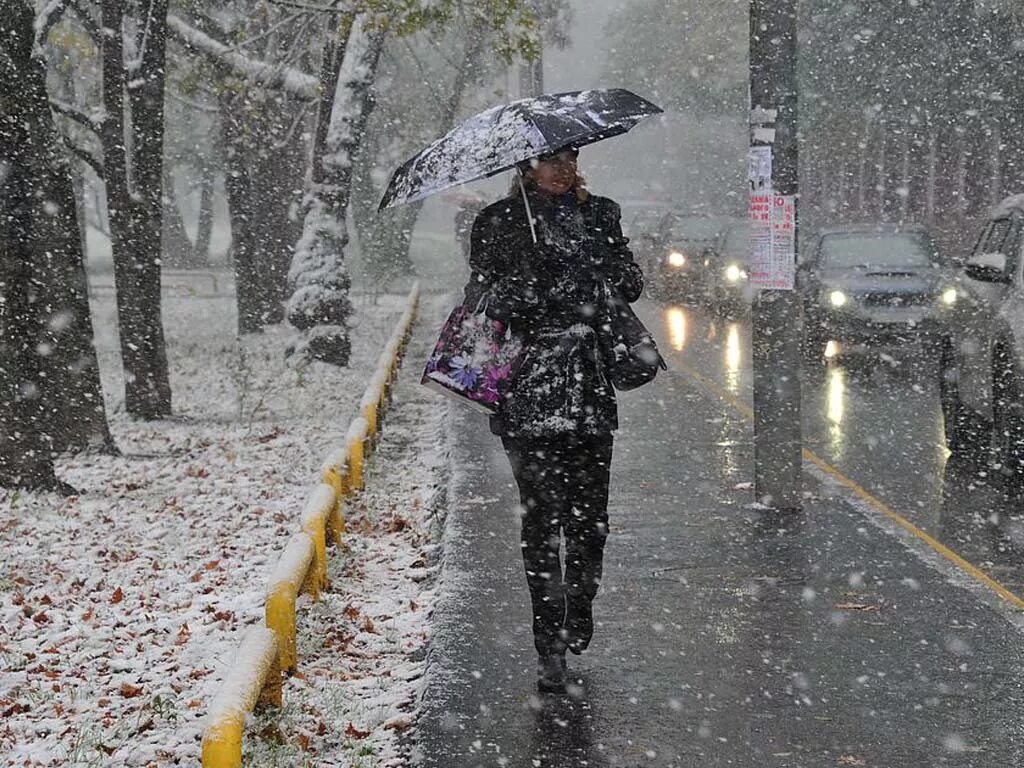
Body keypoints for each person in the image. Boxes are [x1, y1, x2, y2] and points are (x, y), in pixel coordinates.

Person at [462, 146, 643, 694]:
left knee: (590, 522)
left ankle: (579, 602)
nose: (563, 169)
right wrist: (529, 285)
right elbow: (481, 299)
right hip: (527, 391)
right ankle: (549, 644)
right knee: (541, 524)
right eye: (550, 161)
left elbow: (632, 283)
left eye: (570, 158)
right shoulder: (497, 222)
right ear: (526, 167)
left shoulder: (600, 214)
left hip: (588, 387)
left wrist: (601, 269)